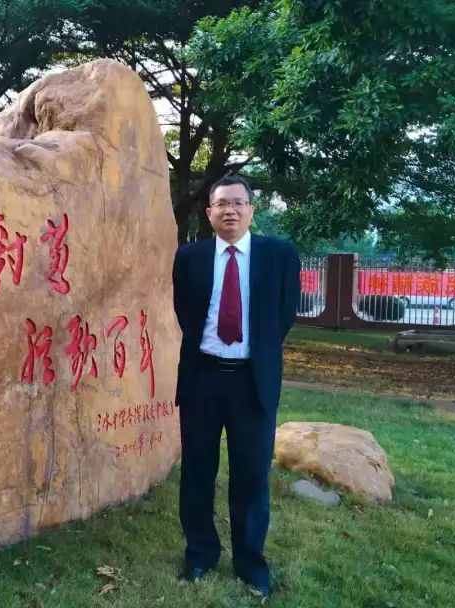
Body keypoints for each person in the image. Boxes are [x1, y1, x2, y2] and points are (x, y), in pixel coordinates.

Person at [171, 175, 300, 598]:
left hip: (252, 382)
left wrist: (255, 351)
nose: (230, 210)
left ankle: (250, 562)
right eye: (222, 204)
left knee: (251, 475)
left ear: (251, 210)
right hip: (202, 379)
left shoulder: (278, 255)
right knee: (197, 471)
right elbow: (185, 312)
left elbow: (283, 315)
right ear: (209, 213)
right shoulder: (189, 257)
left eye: (239, 203)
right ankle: (200, 554)